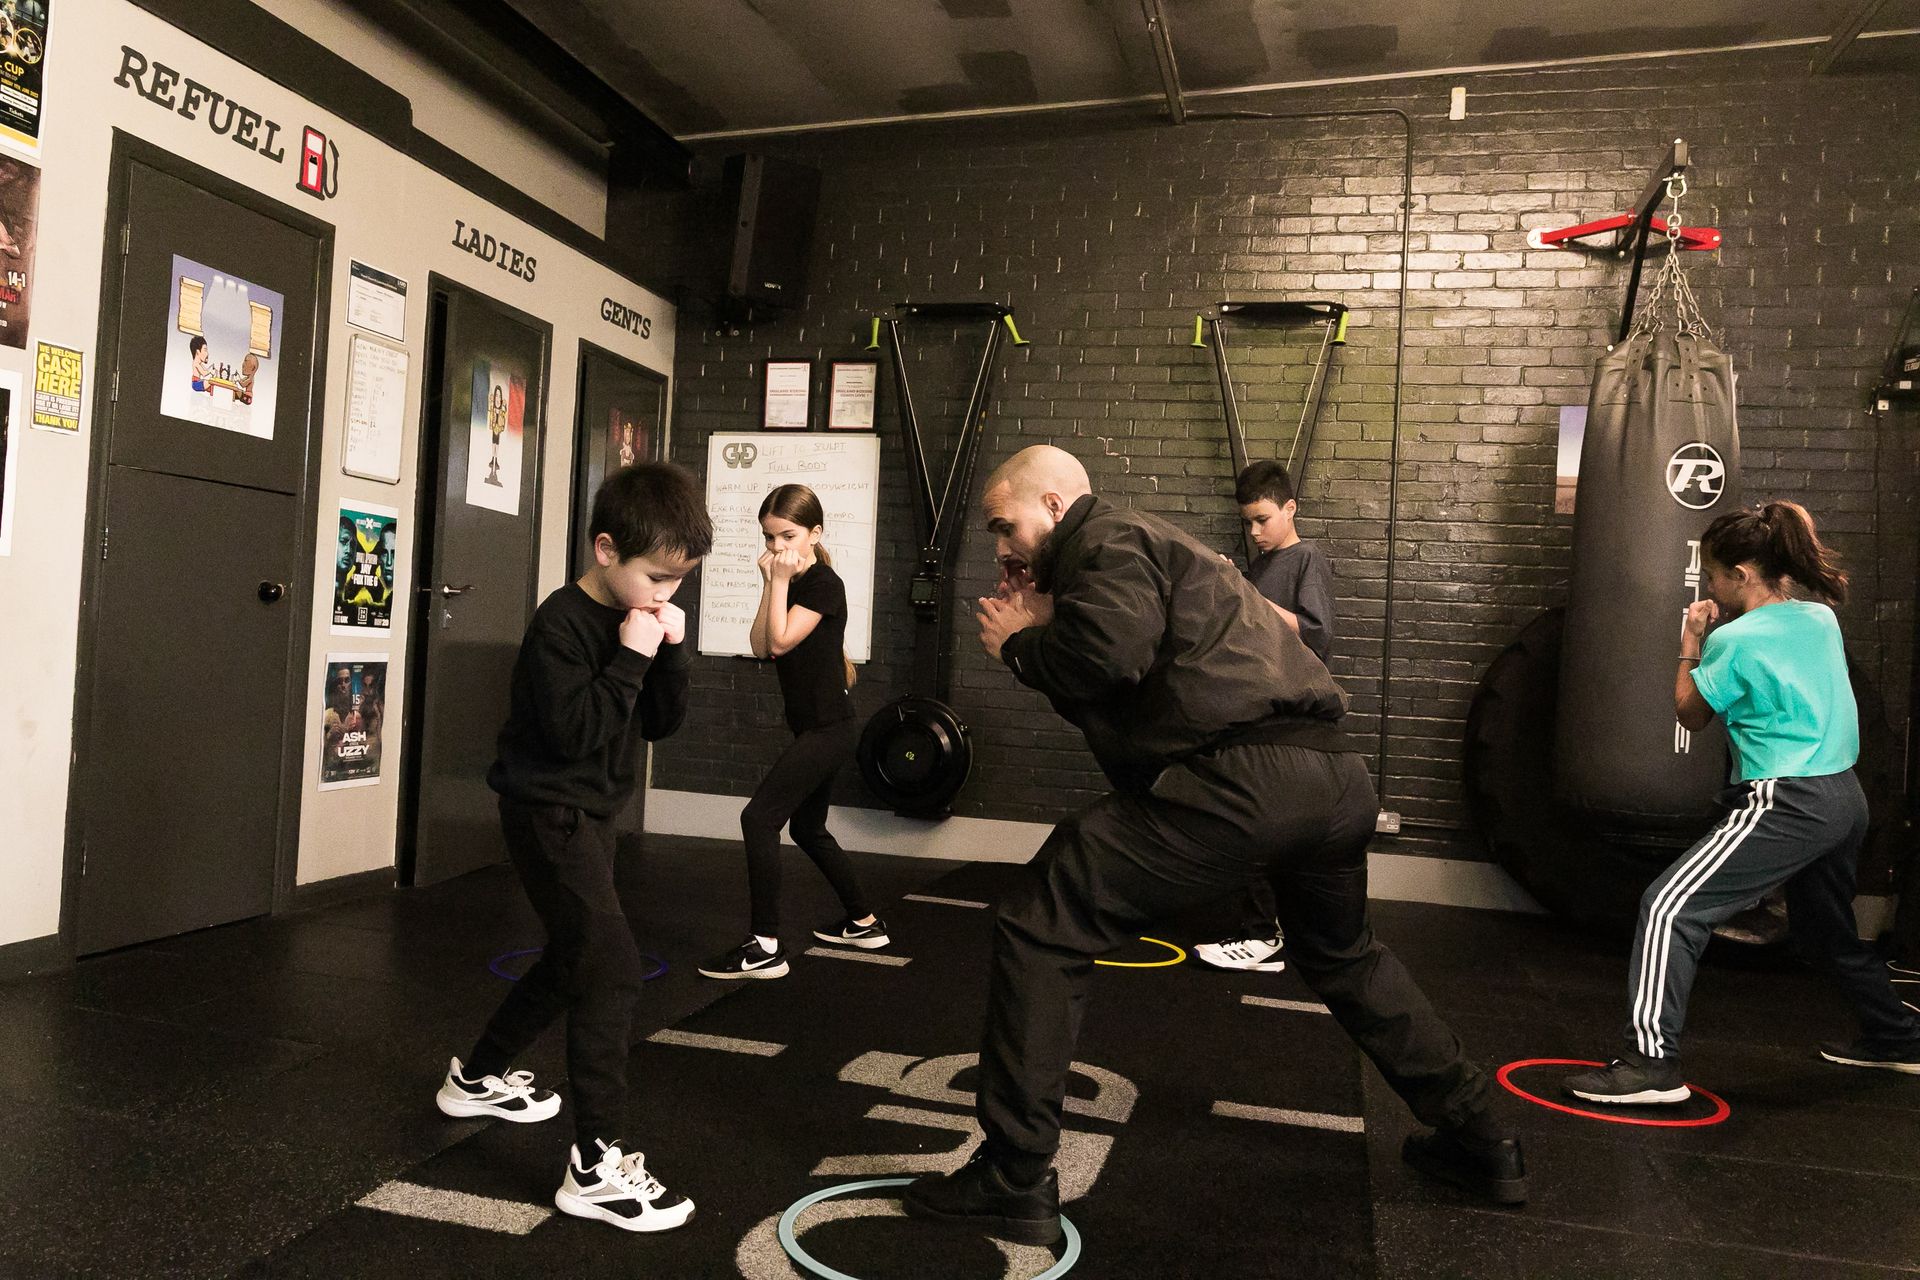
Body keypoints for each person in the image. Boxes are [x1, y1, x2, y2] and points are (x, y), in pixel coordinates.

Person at [903, 446, 1525, 1245]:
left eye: (1004, 525)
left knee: (1040, 919)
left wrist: (1022, 645)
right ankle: (1482, 1136)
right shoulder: (1153, 553)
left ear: (1056, 506)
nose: (1000, 548)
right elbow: (1125, 694)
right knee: (1345, 956)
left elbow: (1107, 659)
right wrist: (1048, 627)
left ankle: (1013, 1177)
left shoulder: (1106, 538)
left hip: (1247, 782)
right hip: (1335, 780)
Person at [432, 461, 712, 1233]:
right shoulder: (559, 625)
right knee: (611, 969)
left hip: (592, 815)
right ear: (605, 549)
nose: (665, 594)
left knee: (571, 958)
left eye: (679, 582)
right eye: (656, 577)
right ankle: (594, 1167)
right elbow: (575, 735)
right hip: (547, 813)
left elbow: (660, 724)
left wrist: (669, 651)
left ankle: (476, 1078)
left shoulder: (643, 617)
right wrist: (632, 655)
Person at [1565, 502, 1920, 1104]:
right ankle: (1898, 1036)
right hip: (1844, 797)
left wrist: (1691, 642)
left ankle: (1650, 1064)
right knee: (1826, 935)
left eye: (1713, 575)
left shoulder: (1734, 638)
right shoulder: (1820, 618)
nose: (1709, 586)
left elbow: (1691, 714)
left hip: (1788, 798)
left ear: (1742, 574)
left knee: (1669, 909)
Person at [698, 484, 888, 979]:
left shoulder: (824, 583)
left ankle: (764, 946)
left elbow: (780, 643)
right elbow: (761, 646)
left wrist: (778, 581)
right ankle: (865, 923)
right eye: (770, 537)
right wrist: (770, 584)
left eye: (788, 536)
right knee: (807, 827)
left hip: (829, 730)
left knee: (758, 819)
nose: (777, 547)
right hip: (816, 729)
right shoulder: (791, 582)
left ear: (814, 534)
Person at [1195, 459, 1338, 975]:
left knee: (1258, 822)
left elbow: (1316, 633)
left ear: (1290, 508)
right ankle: (1269, 931)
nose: (1254, 532)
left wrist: (1246, 592)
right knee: (1255, 822)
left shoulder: (1306, 558)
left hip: (1291, 713)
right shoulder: (1257, 567)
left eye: (1263, 519)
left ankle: (1261, 936)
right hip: (1253, 706)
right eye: (1248, 522)